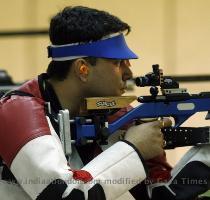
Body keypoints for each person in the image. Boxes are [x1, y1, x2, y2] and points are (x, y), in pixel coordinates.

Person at [0, 5, 209, 200]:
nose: (129, 72)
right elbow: (66, 195)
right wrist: (133, 147)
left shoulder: (115, 114)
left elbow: (162, 194)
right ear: (83, 69)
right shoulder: (17, 111)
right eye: (117, 62)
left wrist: (206, 152)